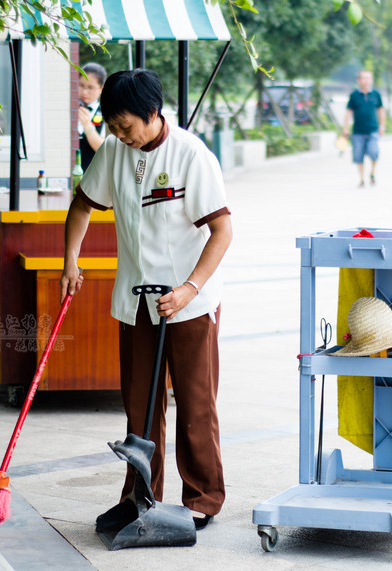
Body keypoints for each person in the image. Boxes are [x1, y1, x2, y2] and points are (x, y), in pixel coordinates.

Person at [61, 69, 232, 531]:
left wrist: (190, 288)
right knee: (140, 405)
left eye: (126, 126)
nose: (118, 135)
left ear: (153, 114)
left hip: (188, 301)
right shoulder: (115, 150)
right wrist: (70, 260)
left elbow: (222, 231)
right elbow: (82, 205)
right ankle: (141, 496)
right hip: (135, 299)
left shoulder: (192, 155)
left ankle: (202, 498)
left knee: (195, 404)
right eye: (112, 126)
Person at [341, 70, 386, 188]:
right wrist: (345, 128)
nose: (367, 81)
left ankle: (372, 173)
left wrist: (382, 126)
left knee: (374, 152)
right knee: (358, 155)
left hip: (373, 130)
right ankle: (361, 179)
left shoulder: (376, 95)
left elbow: (381, 111)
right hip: (357, 131)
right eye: (364, 78)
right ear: (359, 80)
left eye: (369, 78)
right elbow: (348, 112)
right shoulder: (354, 96)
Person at [78, 62, 107, 171]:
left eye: (90, 88)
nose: (84, 92)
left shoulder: (106, 114)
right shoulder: (68, 110)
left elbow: (103, 149)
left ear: (101, 89)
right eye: (81, 85)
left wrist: (87, 125)